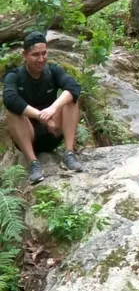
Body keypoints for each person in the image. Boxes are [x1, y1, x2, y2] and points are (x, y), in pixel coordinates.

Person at [3, 32, 83, 184]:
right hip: (29, 136)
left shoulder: (53, 71)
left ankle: (69, 152)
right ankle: (33, 163)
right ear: (24, 55)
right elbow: (9, 99)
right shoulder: (14, 76)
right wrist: (41, 116)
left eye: (44, 53)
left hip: (54, 131)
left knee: (71, 99)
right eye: (35, 55)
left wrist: (53, 109)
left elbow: (74, 87)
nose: (41, 59)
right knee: (12, 112)